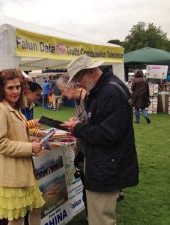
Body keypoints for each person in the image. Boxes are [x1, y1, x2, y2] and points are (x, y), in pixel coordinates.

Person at [62, 55, 139, 225]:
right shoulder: (105, 88)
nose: (79, 84)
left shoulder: (109, 91)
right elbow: (104, 123)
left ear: (90, 72)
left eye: (79, 78)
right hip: (104, 162)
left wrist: (78, 129)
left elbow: (109, 134)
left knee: (100, 219)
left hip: (106, 164)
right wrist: (81, 124)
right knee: (99, 215)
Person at [0, 69, 45, 225]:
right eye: (10, 87)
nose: (15, 91)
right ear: (1, 89)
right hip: (11, 173)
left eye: (18, 87)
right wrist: (29, 147)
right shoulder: (0, 109)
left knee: (36, 207)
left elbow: (16, 133)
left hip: (22, 171)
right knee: (17, 218)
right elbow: (0, 143)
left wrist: (32, 142)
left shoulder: (12, 107)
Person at [56, 74, 88, 219]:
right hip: (82, 148)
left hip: (90, 150)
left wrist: (77, 125)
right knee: (85, 182)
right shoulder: (78, 100)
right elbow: (82, 119)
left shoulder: (88, 99)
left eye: (62, 90)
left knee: (89, 183)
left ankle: (93, 217)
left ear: (70, 86)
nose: (62, 94)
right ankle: (91, 216)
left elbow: (94, 125)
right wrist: (76, 121)